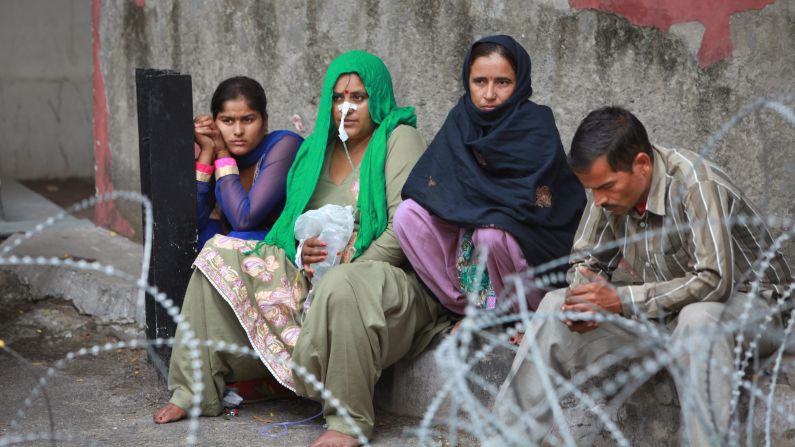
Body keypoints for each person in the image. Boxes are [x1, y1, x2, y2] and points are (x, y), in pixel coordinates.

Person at [153, 51, 451, 447]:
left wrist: (353, 265)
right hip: (317, 277)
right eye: (338, 97)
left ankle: (347, 422)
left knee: (344, 285)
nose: (346, 107)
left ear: (377, 98)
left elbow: (404, 228)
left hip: (385, 277)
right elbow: (291, 226)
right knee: (218, 254)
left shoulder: (399, 138)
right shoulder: (315, 150)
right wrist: (302, 250)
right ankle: (194, 391)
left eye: (358, 97)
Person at [495, 106, 792, 445]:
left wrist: (620, 299)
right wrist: (585, 298)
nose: (598, 199)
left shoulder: (695, 182)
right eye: (592, 190)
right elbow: (585, 262)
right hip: (664, 317)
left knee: (697, 319)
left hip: (752, 312)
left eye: (606, 187)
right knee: (553, 305)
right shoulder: (606, 194)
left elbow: (714, 281)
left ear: (641, 164)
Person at [395, 35, 585, 319]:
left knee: (492, 235)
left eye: (503, 83)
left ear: (519, 82)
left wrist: (482, 214)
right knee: (407, 214)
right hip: (469, 241)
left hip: (526, 248)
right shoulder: (461, 120)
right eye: (479, 81)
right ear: (466, 81)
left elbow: (537, 204)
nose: (489, 94)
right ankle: (471, 311)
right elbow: (438, 187)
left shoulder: (536, 125)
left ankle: (520, 316)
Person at [194, 76, 303, 248]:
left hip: (280, 251)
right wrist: (207, 151)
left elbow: (243, 220)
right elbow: (189, 225)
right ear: (214, 122)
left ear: (264, 120)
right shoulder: (215, 152)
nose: (238, 131)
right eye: (227, 121)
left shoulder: (285, 145)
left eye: (248, 119)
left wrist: (222, 153)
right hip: (233, 251)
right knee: (199, 235)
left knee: (239, 237)